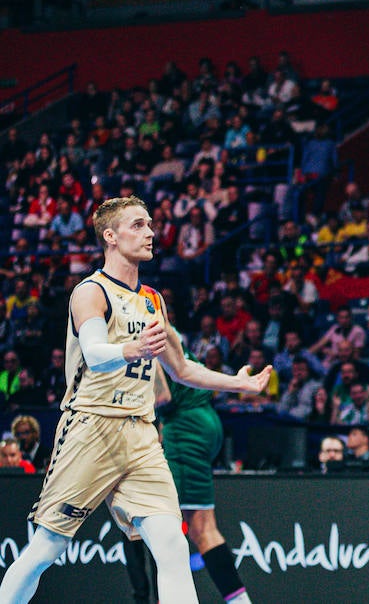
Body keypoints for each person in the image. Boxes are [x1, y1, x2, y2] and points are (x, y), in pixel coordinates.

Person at [0, 196, 271, 604]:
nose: (150, 233)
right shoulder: (89, 293)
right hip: (91, 428)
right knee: (46, 549)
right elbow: (94, 353)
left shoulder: (153, 300)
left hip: (142, 434)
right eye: (139, 225)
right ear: (110, 236)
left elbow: (182, 370)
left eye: (150, 225)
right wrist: (133, 348)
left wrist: (239, 384)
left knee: (173, 547)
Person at [125, 343, 257, 604]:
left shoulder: (138, 334)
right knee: (196, 527)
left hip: (185, 428)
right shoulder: (163, 326)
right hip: (203, 420)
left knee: (182, 526)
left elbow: (161, 397)